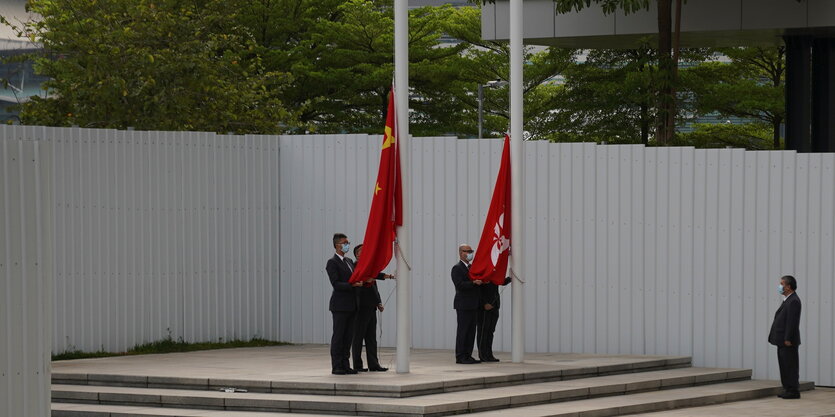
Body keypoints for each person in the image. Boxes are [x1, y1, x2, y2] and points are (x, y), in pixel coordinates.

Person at [351, 243, 394, 372]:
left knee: (371, 338)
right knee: (358, 337)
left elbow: (374, 285)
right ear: (357, 254)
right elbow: (358, 281)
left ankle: (373, 364)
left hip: (371, 306)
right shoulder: (355, 266)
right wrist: (366, 280)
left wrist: (378, 302)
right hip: (361, 307)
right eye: (362, 251)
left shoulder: (369, 267)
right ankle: (357, 365)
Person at [325, 233, 363, 375]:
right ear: (337, 245)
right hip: (340, 305)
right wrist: (352, 285)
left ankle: (346, 365)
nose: (347, 245)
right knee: (339, 336)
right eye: (345, 242)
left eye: (348, 242)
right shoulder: (332, 262)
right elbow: (336, 284)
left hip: (352, 305)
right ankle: (337, 366)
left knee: (348, 337)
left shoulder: (348, 261)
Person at [768, 275, 802, 399]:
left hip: (788, 341)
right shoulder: (788, 300)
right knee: (784, 365)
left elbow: (792, 322)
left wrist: (788, 338)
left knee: (790, 366)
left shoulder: (793, 301)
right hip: (782, 340)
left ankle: (793, 390)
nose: (780, 286)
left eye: (782, 284)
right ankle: (787, 388)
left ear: (788, 286)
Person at [451, 243, 483, 364]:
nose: (470, 254)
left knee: (471, 332)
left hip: (473, 304)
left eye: (471, 251)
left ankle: (468, 355)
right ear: (460, 253)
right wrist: (473, 283)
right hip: (463, 304)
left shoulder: (472, 268)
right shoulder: (457, 268)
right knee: (463, 331)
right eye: (467, 251)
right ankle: (460, 356)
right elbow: (459, 285)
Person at [476, 276, 511, 362]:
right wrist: (484, 304)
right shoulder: (481, 274)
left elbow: (501, 281)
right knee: (483, 331)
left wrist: (510, 278)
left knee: (490, 332)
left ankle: (489, 354)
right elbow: (477, 291)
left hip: (494, 306)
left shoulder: (494, 274)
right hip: (484, 308)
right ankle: (483, 355)